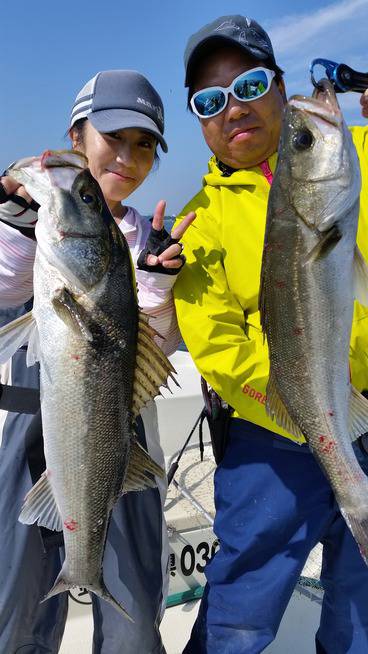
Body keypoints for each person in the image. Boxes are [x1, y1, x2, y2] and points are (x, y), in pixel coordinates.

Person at [173, 15, 368, 654]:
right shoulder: (196, 225)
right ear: (201, 123)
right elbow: (217, 344)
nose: (233, 110)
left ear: (281, 87)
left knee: (360, 609)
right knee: (241, 611)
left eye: (250, 83)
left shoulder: (350, 147)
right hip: (272, 440)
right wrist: (302, 414)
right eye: (210, 101)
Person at [0, 69, 194, 654]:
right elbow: (7, 291)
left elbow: (158, 354)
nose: (128, 158)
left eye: (145, 147)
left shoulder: (150, 239)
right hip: (29, 428)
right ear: (76, 135)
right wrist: (17, 231)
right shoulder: (43, 222)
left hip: (117, 433)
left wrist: (158, 290)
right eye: (114, 138)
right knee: (15, 620)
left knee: (134, 625)